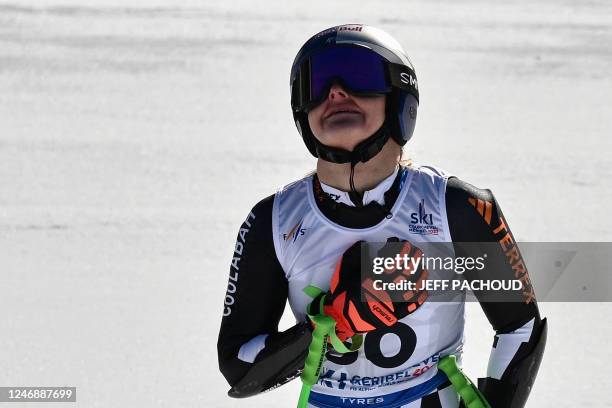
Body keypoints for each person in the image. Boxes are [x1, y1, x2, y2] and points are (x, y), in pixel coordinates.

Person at [217, 24, 547, 408]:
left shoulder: (457, 207)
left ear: (399, 100)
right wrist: (331, 324)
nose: (336, 93)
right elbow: (238, 367)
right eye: (317, 83)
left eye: (360, 77)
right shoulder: (272, 221)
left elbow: (519, 326)